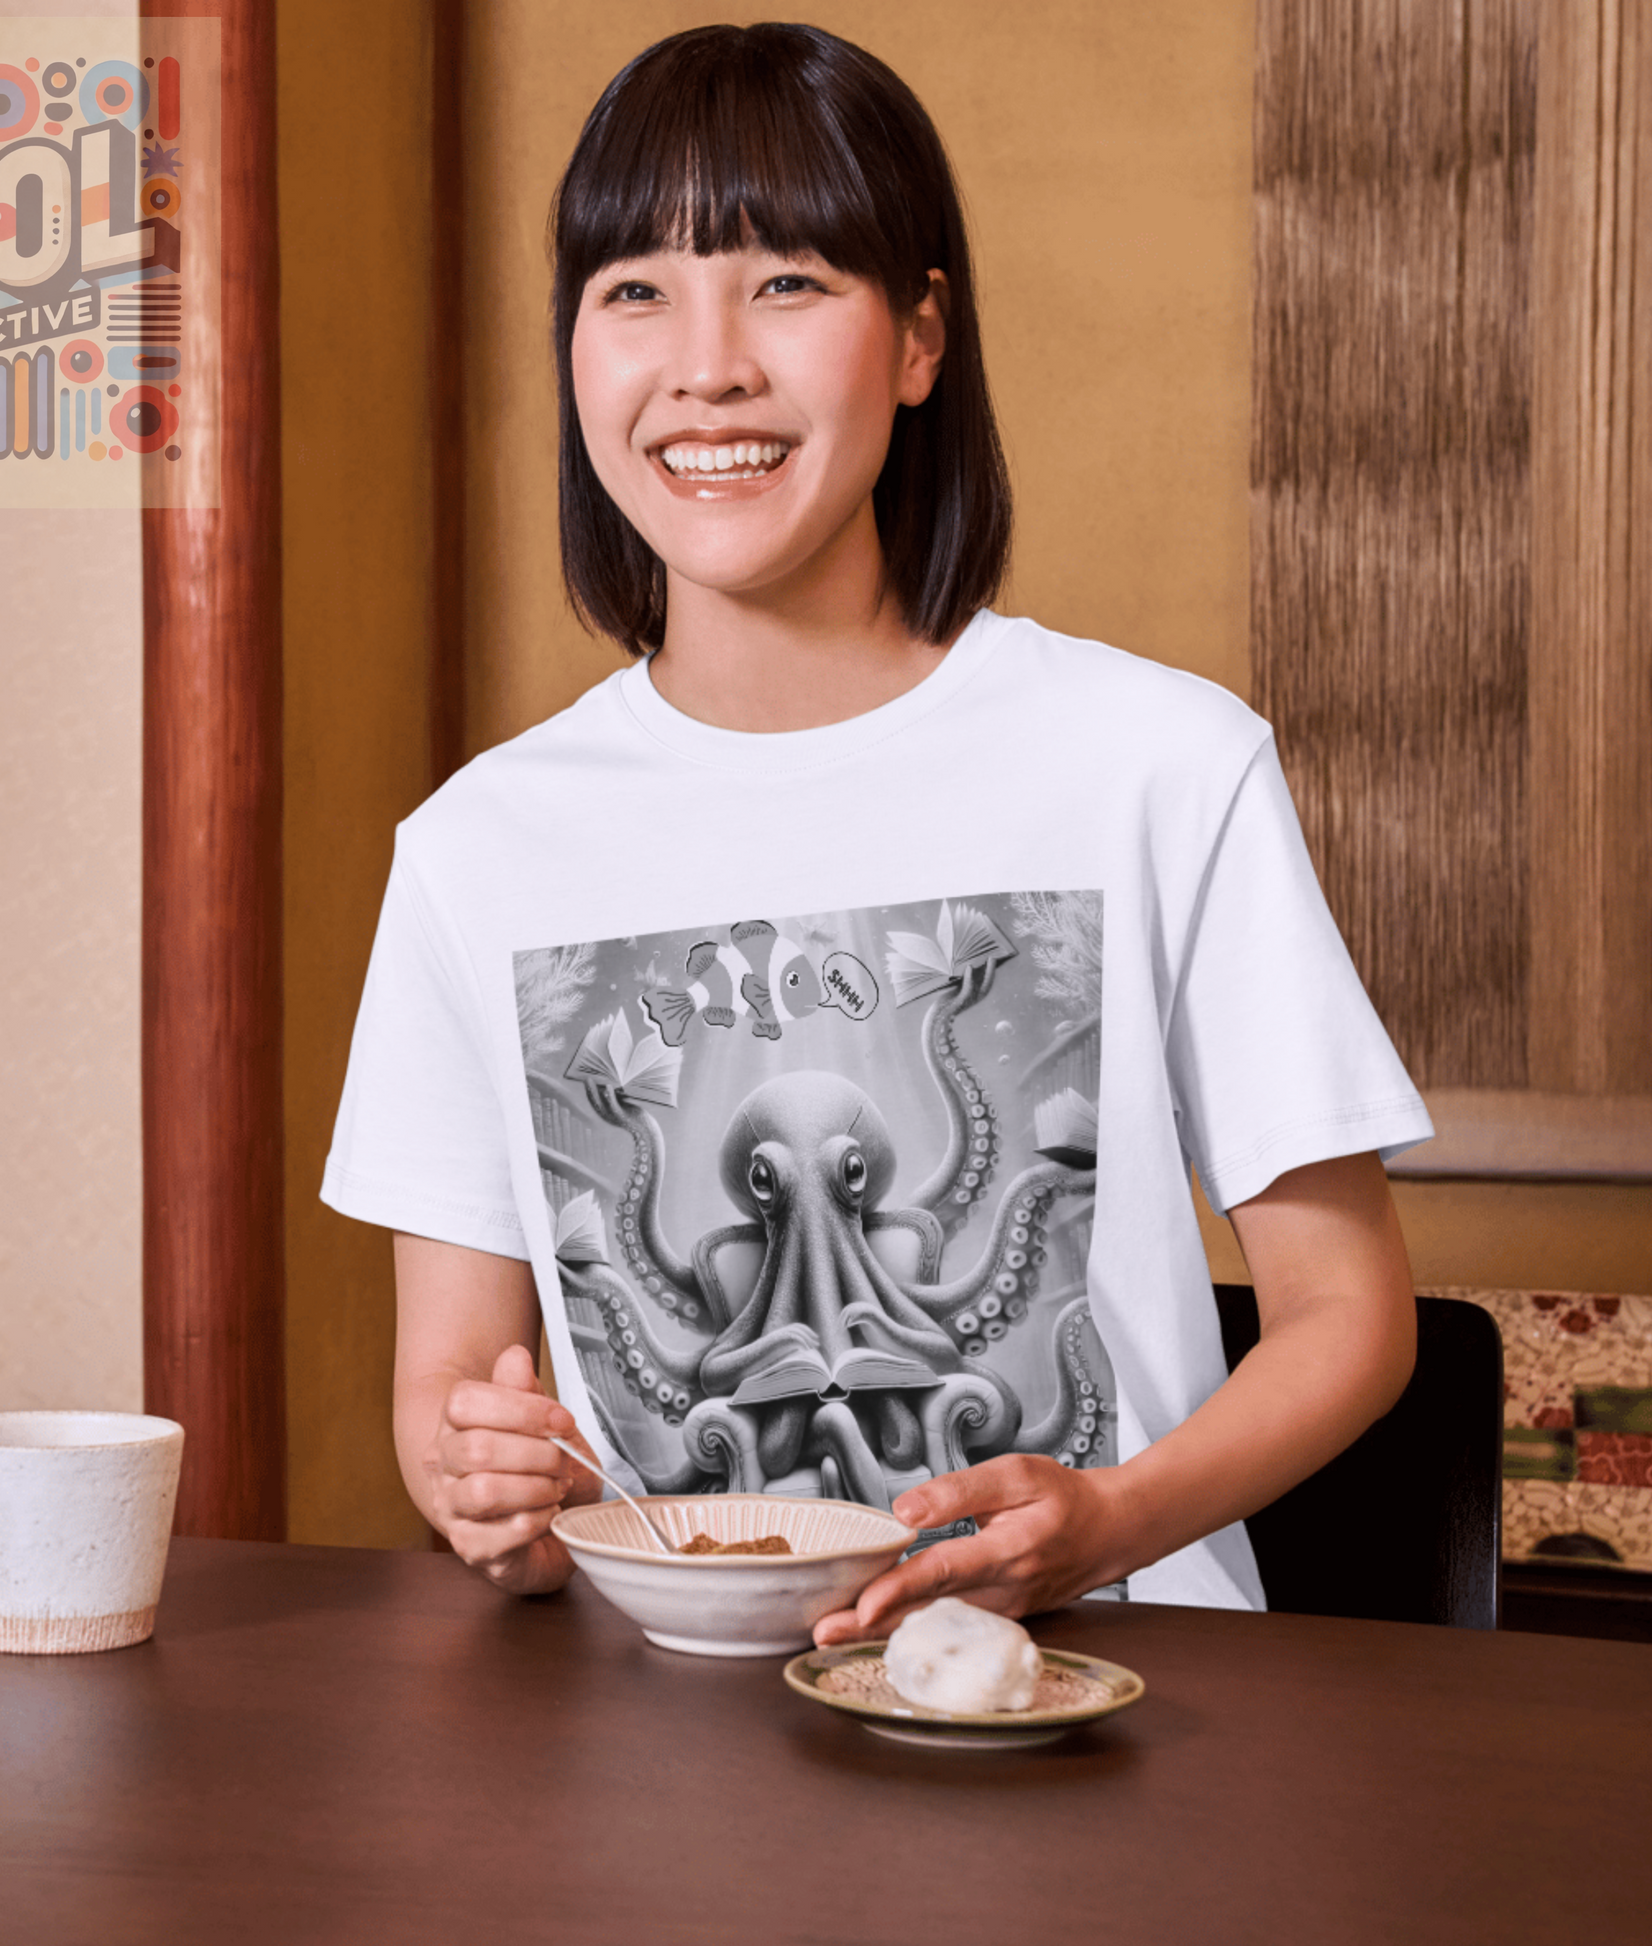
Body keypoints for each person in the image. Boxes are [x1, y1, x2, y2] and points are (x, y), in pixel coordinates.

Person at [322, 22, 1430, 1638]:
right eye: (633, 289)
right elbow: (449, 1391)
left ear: (918, 339)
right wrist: (480, 1481)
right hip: (668, 1731)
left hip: (1114, 1701)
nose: (706, 366)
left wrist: (1109, 1516)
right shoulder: (476, 850)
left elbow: (1351, 1315)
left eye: (785, 283)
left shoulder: (1159, 763)